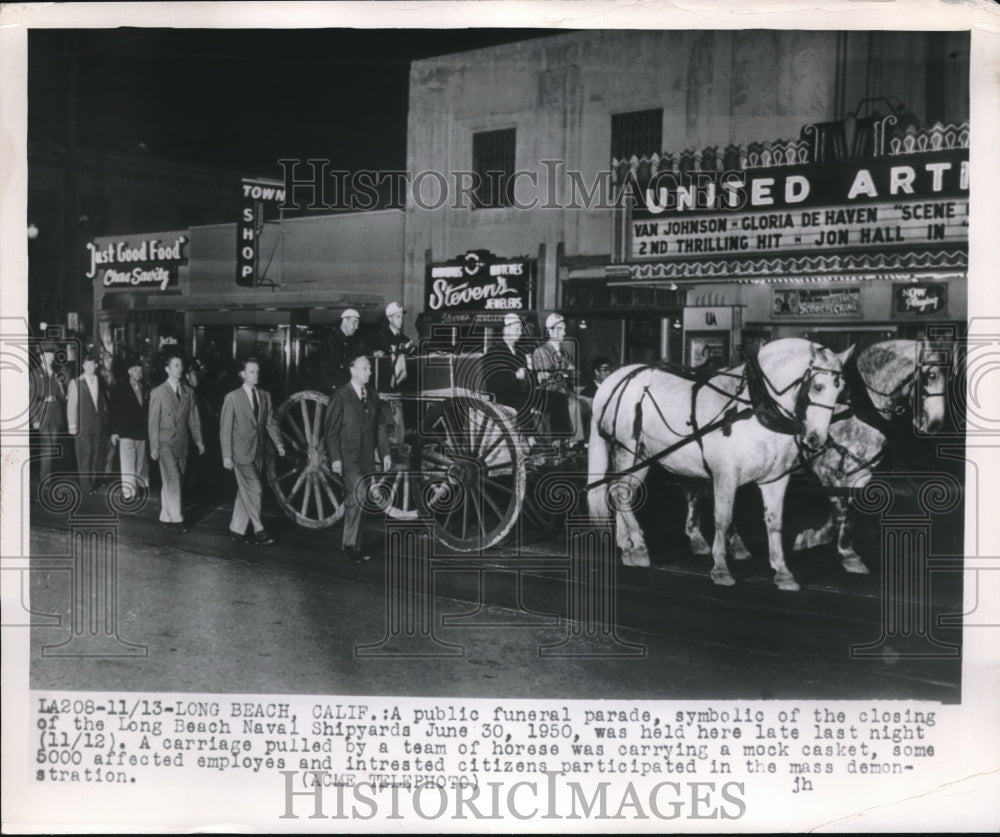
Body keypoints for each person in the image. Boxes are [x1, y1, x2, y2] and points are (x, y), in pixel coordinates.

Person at [321, 354, 391, 563]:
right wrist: (335, 459)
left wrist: (385, 452)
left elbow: (379, 426)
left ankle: (351, 546)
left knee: (356, 499)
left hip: (366, 457)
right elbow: (330, 430)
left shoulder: (372, 395)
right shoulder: (340, 396)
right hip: (347, 457)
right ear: (352, 370)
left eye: (369, 368)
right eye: (365, 368)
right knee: (360, 492)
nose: (369, 372)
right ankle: (350, 546)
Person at [219, 358, 285, 546]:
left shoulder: (265, 396)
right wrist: (226, 455)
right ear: (242, 374)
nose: (256, 375)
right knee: (255, 489)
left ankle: (236, 530)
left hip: (259, 452)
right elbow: (225, 428)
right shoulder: (232, 397)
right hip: (240, 453)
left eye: (257, 371)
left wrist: (279, 443)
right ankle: (259, 530)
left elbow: (270, 423)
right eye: (251, 372)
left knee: (245, 491)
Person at [148, 351, 204, 532]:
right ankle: (176, 519)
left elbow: (194, 419)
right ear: (167, 369)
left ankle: (166, 515)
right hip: (165, 442)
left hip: (183, 442)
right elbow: (153, 421)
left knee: (176, 480)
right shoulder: (158, 392)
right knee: (172, 478)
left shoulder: (189, 392)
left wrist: (199, 440)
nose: (180, 369)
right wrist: (154, 446)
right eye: (176, 366)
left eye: (181, 366)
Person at [532, 313, 583, 443]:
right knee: (575, 405)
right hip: (552, 393)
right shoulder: (541, 351)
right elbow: (549, 375)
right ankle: (573, 443)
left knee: (592, 404)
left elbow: (576, 374)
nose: (564, 332)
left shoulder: (564, 353)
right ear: (550, 331)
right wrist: (565, 372)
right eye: (560, 329)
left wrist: (564, 372)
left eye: (564, 329)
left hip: (567, 392)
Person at [66, 348, 110, 495]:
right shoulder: (76, 383)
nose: (90, 367)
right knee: (85, 454)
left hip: (97, 425)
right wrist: (72, 427)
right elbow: (71, 406)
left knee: (95, 455)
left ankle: (91, 482)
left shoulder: (100, 382)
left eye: (93, 364)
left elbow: (103, 403)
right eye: (87, 364)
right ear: (83, 366)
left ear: (96, 366)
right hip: (82, 426)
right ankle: (86, 486)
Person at [480, 312, 534, 428]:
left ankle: (560, 440)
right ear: (507, 330)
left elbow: (528, 377)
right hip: (502, 395)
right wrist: (515, 376)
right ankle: (530, 438)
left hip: (521, 392)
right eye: (517, 329)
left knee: (556, 397)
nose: (520, 333)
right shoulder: (494, 352)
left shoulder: (520, 352)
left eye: (520, 329)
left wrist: (531, 371)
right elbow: (492, 379)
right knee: (524, 401)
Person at [109, 353, 150, 501]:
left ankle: (140, 487)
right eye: (136, 370)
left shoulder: (146, 388)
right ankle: (129, 493)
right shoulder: (120, 388)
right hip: (126, 431)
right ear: (129, 372)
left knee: (140, 462)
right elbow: (114, 411)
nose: (139, 372)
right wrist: (114, 431)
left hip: (141, 432)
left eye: (140, 370)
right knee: (127, 463)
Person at [374, 301, 415, 444]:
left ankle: (397, 443)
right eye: (397, 317)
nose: (401, 320)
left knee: (398, 414)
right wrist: (402, 348)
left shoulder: (401, 336)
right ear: (389, 318)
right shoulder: (382, 334)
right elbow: (390, 348)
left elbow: (410, 348)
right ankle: (391, 444)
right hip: (385, 385)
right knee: (392, 415)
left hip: (398, 385)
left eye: (401, 317)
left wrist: (404, 347)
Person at [30, 342, 67, 489]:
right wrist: (34, 419)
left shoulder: (57, 375)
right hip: (42, 414)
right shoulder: (34, 374)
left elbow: (63, 398)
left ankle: (48, 475)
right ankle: (45, 479)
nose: (50, 358)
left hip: (56, 414)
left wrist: (62, 387)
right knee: (46, 447)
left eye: (51, 355)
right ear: (41, 357)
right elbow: (31, 398)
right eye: (46, 355)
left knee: (52, 447)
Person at [322, 308, 366, 391]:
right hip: (332, 384)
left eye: (358, 323)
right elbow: (329, 368)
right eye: (354, 322)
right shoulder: (330, 340)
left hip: (344, 380)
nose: (356, 327)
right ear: (345, 321)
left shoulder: (351, 341)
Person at [98, 348, 120, 483]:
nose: (109, 361)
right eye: (106, 359)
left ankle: (107, 475)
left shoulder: (115, 376)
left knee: (112, 448)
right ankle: (100, 475)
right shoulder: (98, 377)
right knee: (102, 448)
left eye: (110, 359)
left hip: (113, 416)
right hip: (102, 417)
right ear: (101, 361)